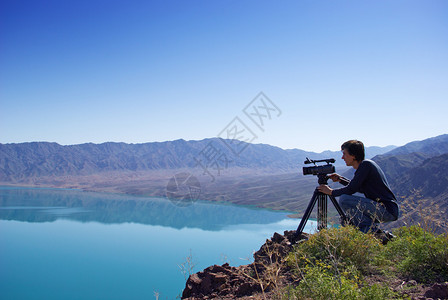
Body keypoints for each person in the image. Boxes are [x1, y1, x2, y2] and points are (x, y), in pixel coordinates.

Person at [317, 140, 399, 234]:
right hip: (384, 209)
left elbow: (351, 189)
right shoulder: (365, 166)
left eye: (344, 154)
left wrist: (331, 192)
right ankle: (379, 234)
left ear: (354, 155)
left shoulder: (365, 165)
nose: (342, 157)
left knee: (344, 199)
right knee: (346, 220)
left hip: (386, 210)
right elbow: (358, 187)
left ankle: (374, 232)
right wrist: (340, 179)